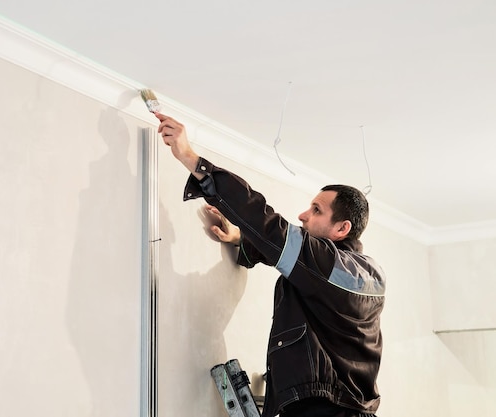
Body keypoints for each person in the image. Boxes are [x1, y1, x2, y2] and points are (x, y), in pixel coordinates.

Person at [155, 112, 386, 417]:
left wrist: (193, 160)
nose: (303, 215)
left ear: (342, 228)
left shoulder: (342, 270)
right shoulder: (341, 272)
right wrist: (242, 237)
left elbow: (272, 230)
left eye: (316, 210)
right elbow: (281, 249)